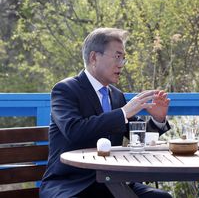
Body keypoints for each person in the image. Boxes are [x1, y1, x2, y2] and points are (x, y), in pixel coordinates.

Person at [40, 28, 172, 198]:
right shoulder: (65, 90)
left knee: (161, 197)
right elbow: (74, 131)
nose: (122, 64)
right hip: (72, 184)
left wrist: (158, 119)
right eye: (117, 57)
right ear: (94, 57)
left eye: (123, 58)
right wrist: (123, 113)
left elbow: (137, 136)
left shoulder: (116, 95)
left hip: (112, 181)